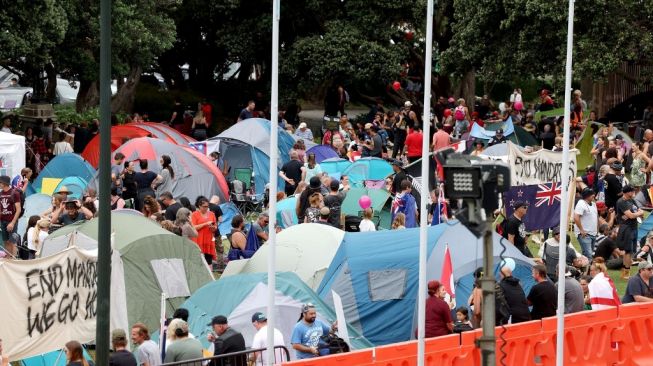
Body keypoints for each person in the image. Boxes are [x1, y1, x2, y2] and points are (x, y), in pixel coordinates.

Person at [616, 185, 645, 279]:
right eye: (632, 191)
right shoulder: (621, 202)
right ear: (627, 192)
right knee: (628, 251)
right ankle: (626, 273)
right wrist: (638, 214)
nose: (634, 193)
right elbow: (631, 215)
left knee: (630, 251)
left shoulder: (631, 200)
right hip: (626, 228)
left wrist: (637, 213)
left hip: (633, 227)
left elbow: (639, 211)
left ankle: (625, 272)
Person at [574, 188, 599, 260]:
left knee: (586, 255)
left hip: (593, 234)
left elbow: (596, 217)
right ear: (587, 196)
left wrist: (597, 230)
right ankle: (589, 270)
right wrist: (581, 230)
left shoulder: (594, 204)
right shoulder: (581, 203)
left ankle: (584, 270)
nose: (594, 195)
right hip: (585, 234)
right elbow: (576, 217)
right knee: (589, 255)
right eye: (592, 194)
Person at [191, 197, 217, 265]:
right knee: (199, 260)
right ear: (199, 206)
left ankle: (209, 274)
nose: (206, 208)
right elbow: (193, 227)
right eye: (204, 206)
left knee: (209, 260)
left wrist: (213, 228)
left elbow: (215, 227)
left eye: (207, 206)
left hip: (209, 240)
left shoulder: (212, 214)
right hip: (198, 240)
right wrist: (205, 224)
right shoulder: (194, 214)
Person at [0, 175, 21, 257]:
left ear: (4, 183)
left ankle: (14, 261)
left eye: (0, 182)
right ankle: (8, 260)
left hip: (12, 221)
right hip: (3, 221)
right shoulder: (0, 194)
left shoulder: (14, 193)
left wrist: (12, 223)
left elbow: (18, 209)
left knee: (13, 242)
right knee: (6, 241)